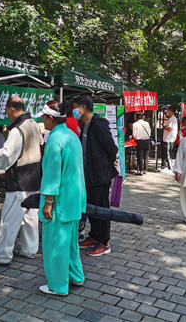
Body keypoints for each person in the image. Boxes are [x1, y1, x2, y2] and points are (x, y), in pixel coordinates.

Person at [0, 97, 43, 264]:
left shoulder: (17, 130)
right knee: (30, 217)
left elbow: (7, 155)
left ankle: (3, 255)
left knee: (9, 219)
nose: (6, 114)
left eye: (6, 110)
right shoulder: (34, 124)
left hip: (19, 181)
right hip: (34, 178)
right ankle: (30, 250)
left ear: (11, 109)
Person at [36, 101, 86, 296]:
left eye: (43, 117)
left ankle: (57, 285)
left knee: (55, 243)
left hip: (59, 202)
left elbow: (52, 174)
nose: (42, 120)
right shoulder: (72, 136)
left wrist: (48, 202)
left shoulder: (55, 139)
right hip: (73, 200)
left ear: (50, 118)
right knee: (70, 242)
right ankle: (76, 276)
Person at [74, 96, 118, 257]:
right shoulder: (85, 125)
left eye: (75, 107)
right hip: (88, 175)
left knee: (102, 209)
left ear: (83, 108)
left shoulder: (98, 125)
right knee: (91, 208)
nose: (74, 111)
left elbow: (111, 148)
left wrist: (107, 162)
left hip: (100, 175)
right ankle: (94, 236)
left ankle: (104, 242)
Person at [160, 107, 178, 174]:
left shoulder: (173, 119)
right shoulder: (170, 119)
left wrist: (164, 127)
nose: (167, 112)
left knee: (167, 154)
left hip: (169, 139)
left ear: (170, 111)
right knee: (164, 153)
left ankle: (170, 168)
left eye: (167, 111)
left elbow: (170, 129)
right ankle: (163, 166)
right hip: (166, 139)